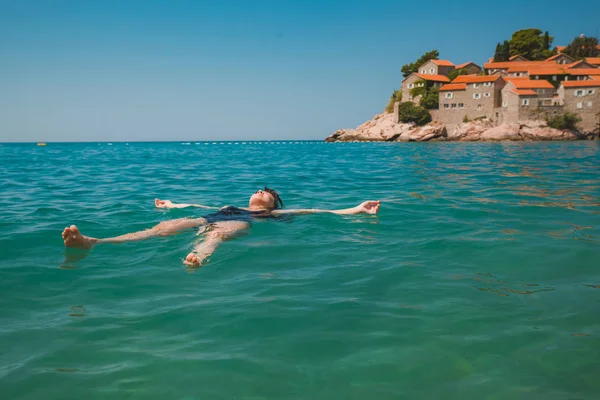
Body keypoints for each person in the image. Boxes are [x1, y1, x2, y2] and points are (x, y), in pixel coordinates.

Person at [62, 187, 380, 267]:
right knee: (161, 228)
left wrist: (357, 209)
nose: (259, 191)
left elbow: (319, 210)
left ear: (271, 204)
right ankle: (94, 242)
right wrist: (171, 206)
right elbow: (198, 208)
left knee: (217, 235)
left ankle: (199, 257)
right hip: (211, 216)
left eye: (266, 193)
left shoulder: (259, 215)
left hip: (237, 225)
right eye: (258, 190)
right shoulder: (232, 205)